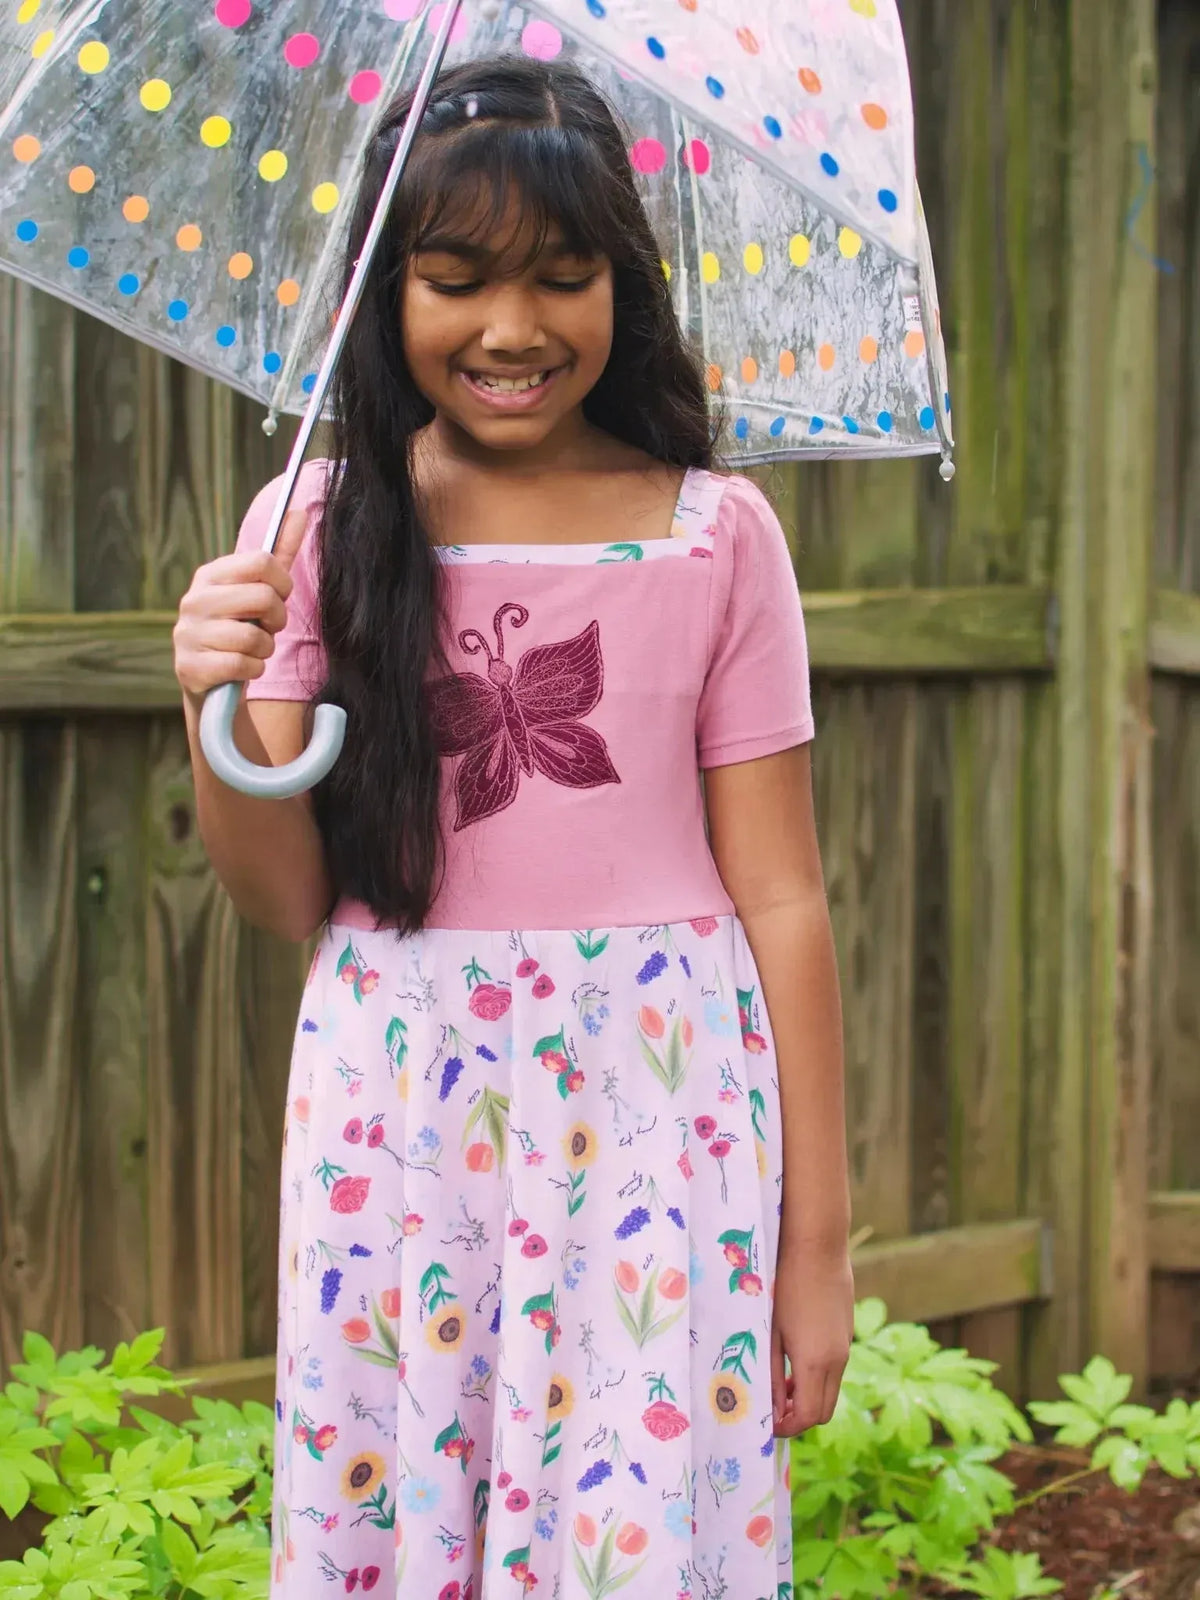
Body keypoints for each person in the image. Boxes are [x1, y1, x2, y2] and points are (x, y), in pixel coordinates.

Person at [173, 53, 852, 1600]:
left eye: (566, 275)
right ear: (380, 293)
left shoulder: (713, 532)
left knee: (635, 1529)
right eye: (455, 279)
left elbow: (787, 897)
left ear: (626, 283)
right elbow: (284, 891)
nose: (513, 328)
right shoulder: (321, 528)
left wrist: (817, 1247)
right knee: (401, 1512)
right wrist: (208, 699)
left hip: (656, 1113)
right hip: (398, 1112)